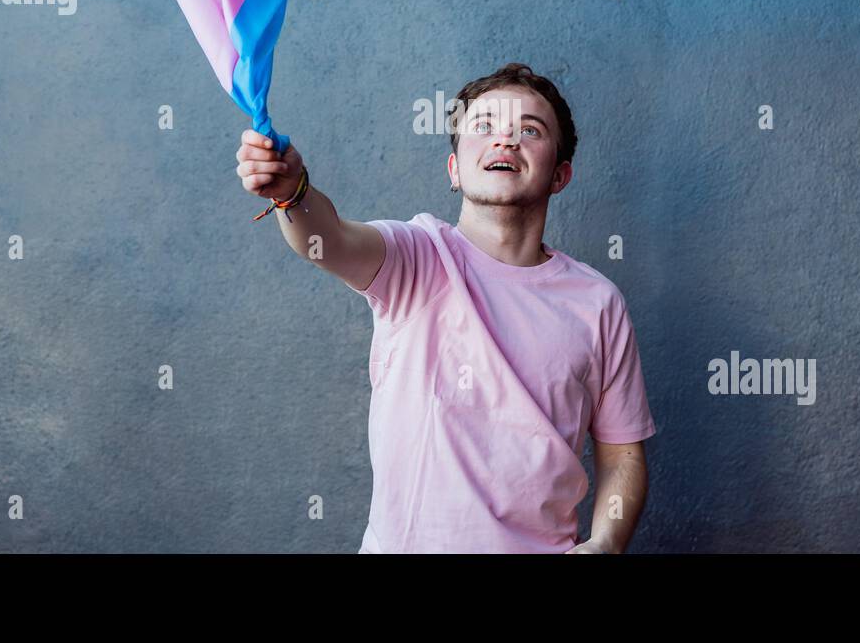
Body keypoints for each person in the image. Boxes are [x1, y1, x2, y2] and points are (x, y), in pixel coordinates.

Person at [235, 62, 656, 553]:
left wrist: (605, 543)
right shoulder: (415, 257)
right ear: (454, 169)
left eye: (530, 130)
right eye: (484, 127)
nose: (505, 140)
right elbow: (327, 239)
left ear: (560, 174)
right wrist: (293, 191)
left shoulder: (598, 302)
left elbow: (623, 451)